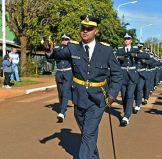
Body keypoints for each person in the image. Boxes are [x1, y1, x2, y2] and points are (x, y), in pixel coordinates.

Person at [45, 15, 123, 159]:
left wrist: (112, 94)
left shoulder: (105, 50)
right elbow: (56, 54)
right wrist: (49, 50)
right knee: (86, 134)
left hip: (97, 99)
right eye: (83, 28)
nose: (85, 31)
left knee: (88, 133)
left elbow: (118, 74)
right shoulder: (73, 48)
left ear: (96, 31)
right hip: (79, 98)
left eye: (89, 29)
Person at [116, 34, 149, 126]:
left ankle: (126, 116)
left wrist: (136, 55)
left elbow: (147, 56)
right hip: (123, 75)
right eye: (125, 38)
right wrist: (119, 57)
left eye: (128, 39)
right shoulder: (120, 50)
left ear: (131, 40)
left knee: (130, 95)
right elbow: (114, 58)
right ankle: (127, 111)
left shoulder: (135, 49)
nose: (126, 40)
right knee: (124, 96)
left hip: (132, 75)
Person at [54, 33, 73, 123]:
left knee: (65, 92)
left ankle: (62, 112)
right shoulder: (57, 48)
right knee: (60, 92)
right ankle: (63, 108)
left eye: (66, 39)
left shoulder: (71, 49)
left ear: (69, 40)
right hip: (58, 72)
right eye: (63, 39)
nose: (64, 41)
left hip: (68, 72)